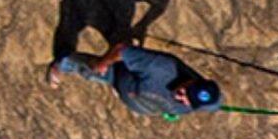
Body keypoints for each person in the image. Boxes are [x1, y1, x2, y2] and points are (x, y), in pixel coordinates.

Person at [50, 40, 222, 121]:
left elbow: (204, 103)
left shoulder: (196, 105)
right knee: (90, 70)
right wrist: (104, 62)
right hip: (117, 74)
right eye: (187, 91)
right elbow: (121, 49)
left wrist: (170, 113)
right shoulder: (161, 68)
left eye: (189, 101)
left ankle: (136, 57)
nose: (182, 97)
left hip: (136, 95)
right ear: (192, 80)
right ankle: (62, 64)